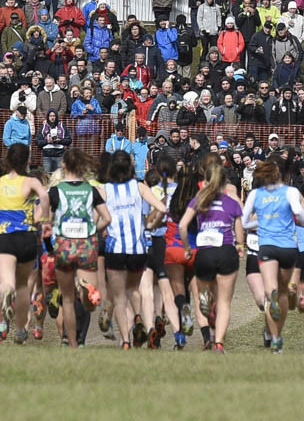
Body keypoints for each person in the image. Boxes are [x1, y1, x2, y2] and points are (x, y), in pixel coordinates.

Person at [240, 155, 304, 352]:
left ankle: (275, 338)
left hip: (266, 247)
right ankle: (277, 334)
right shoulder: (290, 192)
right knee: (282, 293)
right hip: (288, 247)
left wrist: (263, 222)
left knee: (270, 292)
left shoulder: (256, 194)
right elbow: (300, 213)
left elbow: (244, 223)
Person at [175, 153, 243, 352]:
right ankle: (219, 342)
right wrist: (240, 246)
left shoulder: (199, 199)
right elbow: (239, 229)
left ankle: (206, 300)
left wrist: (187, 248)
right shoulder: (231, 201)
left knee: (206, 292)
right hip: (226, 251)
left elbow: (182, 226)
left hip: (204, 253)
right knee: (224, 302)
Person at [101, 148, 168, 348]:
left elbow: (98, 216)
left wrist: (100, 229)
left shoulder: (105, 189)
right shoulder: (139, 186)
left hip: (115, 248)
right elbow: (162, 208)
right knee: (133, 288)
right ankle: (138, 316)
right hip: (138, 248)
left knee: (120, 296)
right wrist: (150, 224)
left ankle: (125, 341)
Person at [45, 147, 110, 349]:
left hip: (64, 245)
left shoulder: (55, 191)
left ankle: (72, 343)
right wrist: (92, 230)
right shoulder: (91, 190)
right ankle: (86, 289)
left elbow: (46, 222)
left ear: (63, 165)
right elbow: (107, 218)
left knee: (67, 299)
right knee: (89, 303)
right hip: (86, 244)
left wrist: (50, 242)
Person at [0, 141, 48, 343]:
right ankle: (20, 330)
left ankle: (2, 322)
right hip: (27, 236)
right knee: (22, 286)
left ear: (8, 160)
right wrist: (44, 217)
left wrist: (2, 213)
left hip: (5, 235)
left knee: (5, 283)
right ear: (27, 160)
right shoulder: (30, 182)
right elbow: (44, 196)